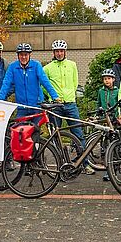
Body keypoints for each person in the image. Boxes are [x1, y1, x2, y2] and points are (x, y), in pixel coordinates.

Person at [44, 40, 92, 175]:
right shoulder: (47, 68)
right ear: (53, 53)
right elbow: (44, 86)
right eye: (57, 51)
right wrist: (52, 96)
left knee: (78, 134)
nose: (59, 53)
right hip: (55, 106)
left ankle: (84, 163)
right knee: (55, 136)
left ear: (65, 52)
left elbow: (75, 82)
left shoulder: (72, 65)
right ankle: (60, 164)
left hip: (70, 104)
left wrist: (69, 95)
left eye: (61, 51)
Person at [0, 43, 61, 119]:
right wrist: (0, 99)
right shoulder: (13, 67)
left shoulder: (36, 65)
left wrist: (55, 96)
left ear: (29, 55)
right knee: (21, 129)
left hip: (36, 106)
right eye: (21, 55)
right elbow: (6, 83)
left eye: (26, 55)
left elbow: (45, 81)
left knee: (36, 130)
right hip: (22, 107)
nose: (23, 57)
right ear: (18, 55)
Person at [98, 68, 120, 183]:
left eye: (109, 79)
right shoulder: (101, 91)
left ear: (113, 80)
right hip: (105, 120)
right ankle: (108, 170)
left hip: (114, 121)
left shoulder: (117, 91)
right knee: (105, 146)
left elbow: (120, 105)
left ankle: (115, 168)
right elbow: (98, 104)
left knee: (115, 145)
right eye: (105, 79)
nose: (107, 81)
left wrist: (119, 115)